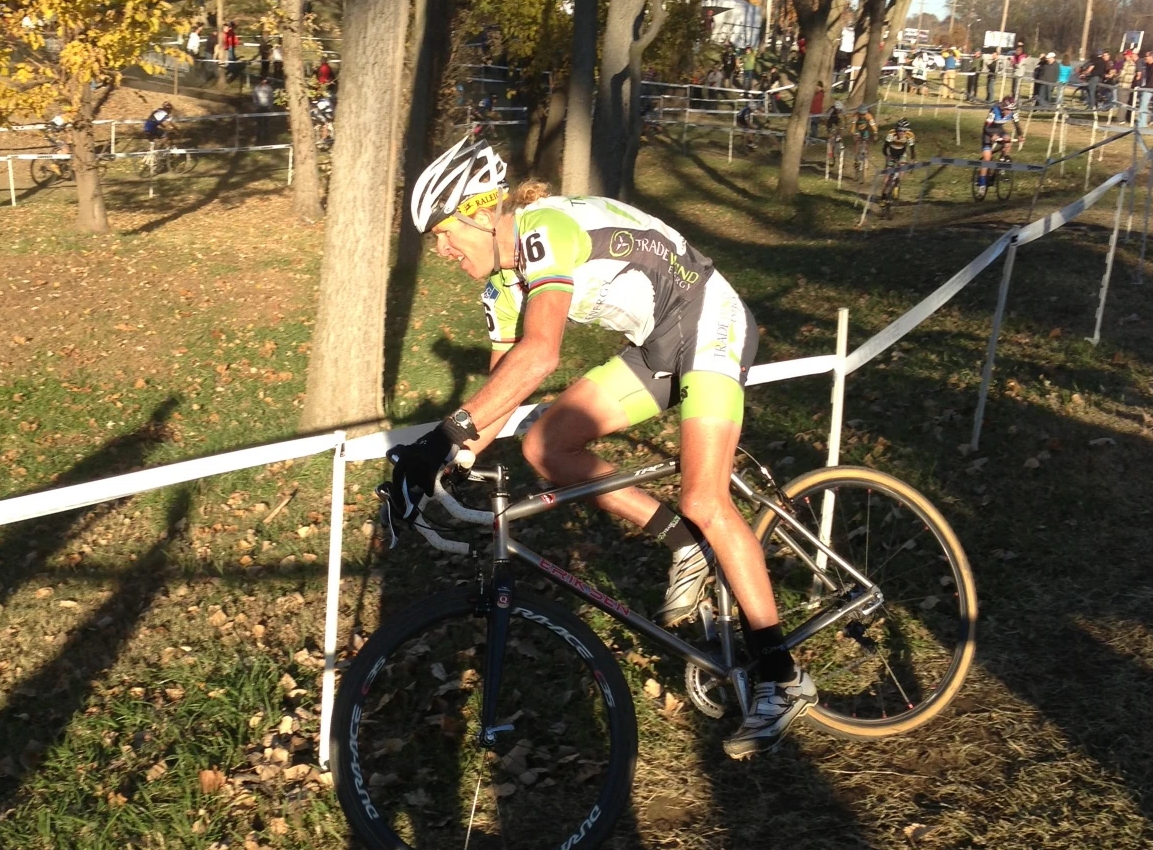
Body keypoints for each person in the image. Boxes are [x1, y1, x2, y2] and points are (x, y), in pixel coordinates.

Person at [383, 137, 816, 758]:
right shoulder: (501, 287)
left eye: (445, 233)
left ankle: (782, 675)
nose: (443, 250)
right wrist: (449, 461)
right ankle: (684, 545)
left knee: (705, 497)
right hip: (659, 344)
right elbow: (506, 387)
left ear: (478, 213)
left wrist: (437, 438)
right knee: (544, 446)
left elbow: (542, 354)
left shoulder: (542, 229)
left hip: (709, 319)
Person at [881, 117, 915, 202]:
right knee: (887, 177)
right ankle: (883, 196)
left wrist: (912, 159)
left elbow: (912, 150)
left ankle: (897, 184)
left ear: (906, 131)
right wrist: (887, 156)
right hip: (891, 154)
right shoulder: (891, 134)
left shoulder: (910, 135)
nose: (900, 133)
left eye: (903, 131)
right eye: (899, 131)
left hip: (902, 154)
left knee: (901, 171)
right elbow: (885, 148)